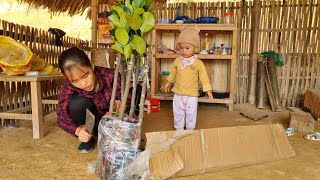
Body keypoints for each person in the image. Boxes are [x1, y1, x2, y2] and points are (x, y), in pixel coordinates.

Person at [57, 47, 128, 153]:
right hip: (91, 125)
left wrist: (121, 106)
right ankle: (88, 138)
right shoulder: (69, 85)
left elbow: (129, 100)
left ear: (92, 66)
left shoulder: (111, 76)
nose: (83, 83)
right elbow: (61, 115)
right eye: (75, 81)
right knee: (77, 103)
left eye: (86, 75)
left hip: (113, 123)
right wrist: (78, 131)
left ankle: (111, 136)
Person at [161, 26, 213, 130]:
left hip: (191, 95)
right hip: (178, 93)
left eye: (187, 48)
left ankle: (190, 130)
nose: (184, 51)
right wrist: (168, 83)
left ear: (196, 48)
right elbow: (173, 73)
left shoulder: (198, 63)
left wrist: (208, 90)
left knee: (191, 113)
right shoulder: (177, 61)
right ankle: (179, 129)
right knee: (178, 112)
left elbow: (204, 77)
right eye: (181, 48)